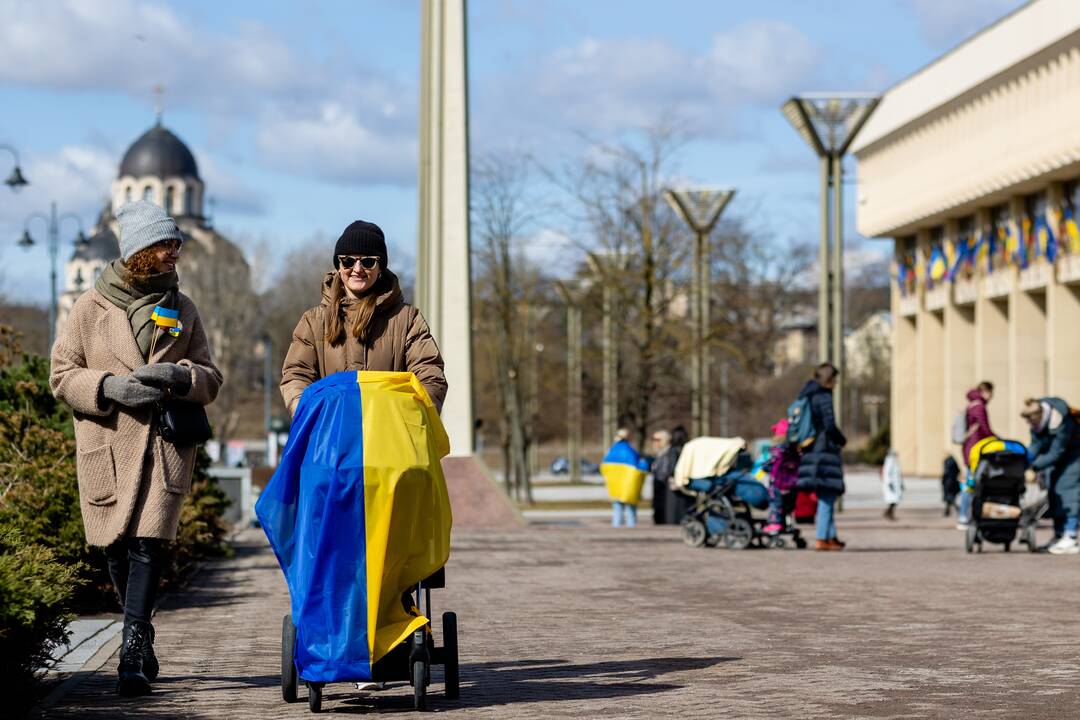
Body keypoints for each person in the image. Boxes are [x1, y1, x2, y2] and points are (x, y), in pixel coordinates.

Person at [50, 201, 223, 696]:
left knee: (149, 545)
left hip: (161, 447)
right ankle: (143, 636)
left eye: (177, 245)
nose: (176, 253)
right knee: (116, 549)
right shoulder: (89, 307)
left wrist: (181, 376)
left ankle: (131, 645)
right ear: (140, 251)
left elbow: (211, 377)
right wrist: (108, 388)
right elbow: (61, 376)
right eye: (166, 245)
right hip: (106, 445)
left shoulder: (182, 307)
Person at [280, 220, 447, 415]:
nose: (357, 269)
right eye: (348, 261)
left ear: (380, 267)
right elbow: (296, 376)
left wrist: (410, 415)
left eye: (368, 261)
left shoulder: (408, 319)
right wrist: (308, 414)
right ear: (339, 266)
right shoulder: (313, 321)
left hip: (389, 439)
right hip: (332, 439)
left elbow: (430, 375)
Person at [796, 363, 847, 551]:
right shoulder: (823, 396)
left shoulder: (806, 394)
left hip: (810, 450)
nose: (836, 383)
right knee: (827, 493)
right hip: (823, 450)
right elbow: (830, 425)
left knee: (827, 494)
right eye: (835, 379)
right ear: (829, 379)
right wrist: (841, 440)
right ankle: (822, 537)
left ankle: (831, 536)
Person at [1021, 397, 1080, 555]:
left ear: (1038, 416)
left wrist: (1034, 466)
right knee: (1053, 493)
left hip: (1074, 456)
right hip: (1059, 459)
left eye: (1030, 421)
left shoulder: (1061, 420)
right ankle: (1059, 535)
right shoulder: (1037, 423)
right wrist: (1021, 461)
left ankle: (1071, 536)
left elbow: (1057, 451)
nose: (1029, 425)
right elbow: (1036, 445)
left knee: (1067, 491)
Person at [959, 382, 995, 528]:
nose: (992, 397)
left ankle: (965, 515)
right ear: (985, 391)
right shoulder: (979, 406)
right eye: (991, 393)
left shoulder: (972, 404)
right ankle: (964, 516)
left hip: (970, 449)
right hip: (976, 450)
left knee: (970, 483)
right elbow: (985, 428)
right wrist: (996, 440)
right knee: (971, 483)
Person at [602, 428, 648, 528]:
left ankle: (616, 528)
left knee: (617, 510)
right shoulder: (631, 451)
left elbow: (603, 468)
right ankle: (631, 529)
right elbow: (640, 467)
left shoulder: (610, 452)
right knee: (631, 511)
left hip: (615, 488)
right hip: (629, 487)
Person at [762, 419, 801, 535]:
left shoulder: (778, 450)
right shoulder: (795, 451)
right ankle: (786, 523)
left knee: (775, 504)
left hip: (778, 484)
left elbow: (769, 464)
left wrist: (764, 467)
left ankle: (775, 523)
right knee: (787, 506)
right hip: (792, 485)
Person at [663, 425, 692, 524]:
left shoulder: (673, 450)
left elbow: (672, 465)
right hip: (687, 477)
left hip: (675, 478)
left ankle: (673, 520)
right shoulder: (688, 448)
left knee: (673, 504)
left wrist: (668, 475)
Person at [650, 430, 674, 524]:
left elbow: (665, 471)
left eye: (657, 439)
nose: (654, 442)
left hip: (663, 486)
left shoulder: (668, 453)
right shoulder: (659, 453)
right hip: (658, 485)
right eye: (653, 439)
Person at [882, 448, 903, 520]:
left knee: (895, 500)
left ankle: (888, 513)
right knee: (893, 500)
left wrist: (901, 484)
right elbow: (887, 474)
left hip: (896, 484)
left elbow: (898, 474)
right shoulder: (889, 461)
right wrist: (889, 483)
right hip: (891, 484)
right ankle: (889, 513)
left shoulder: (895, 461)